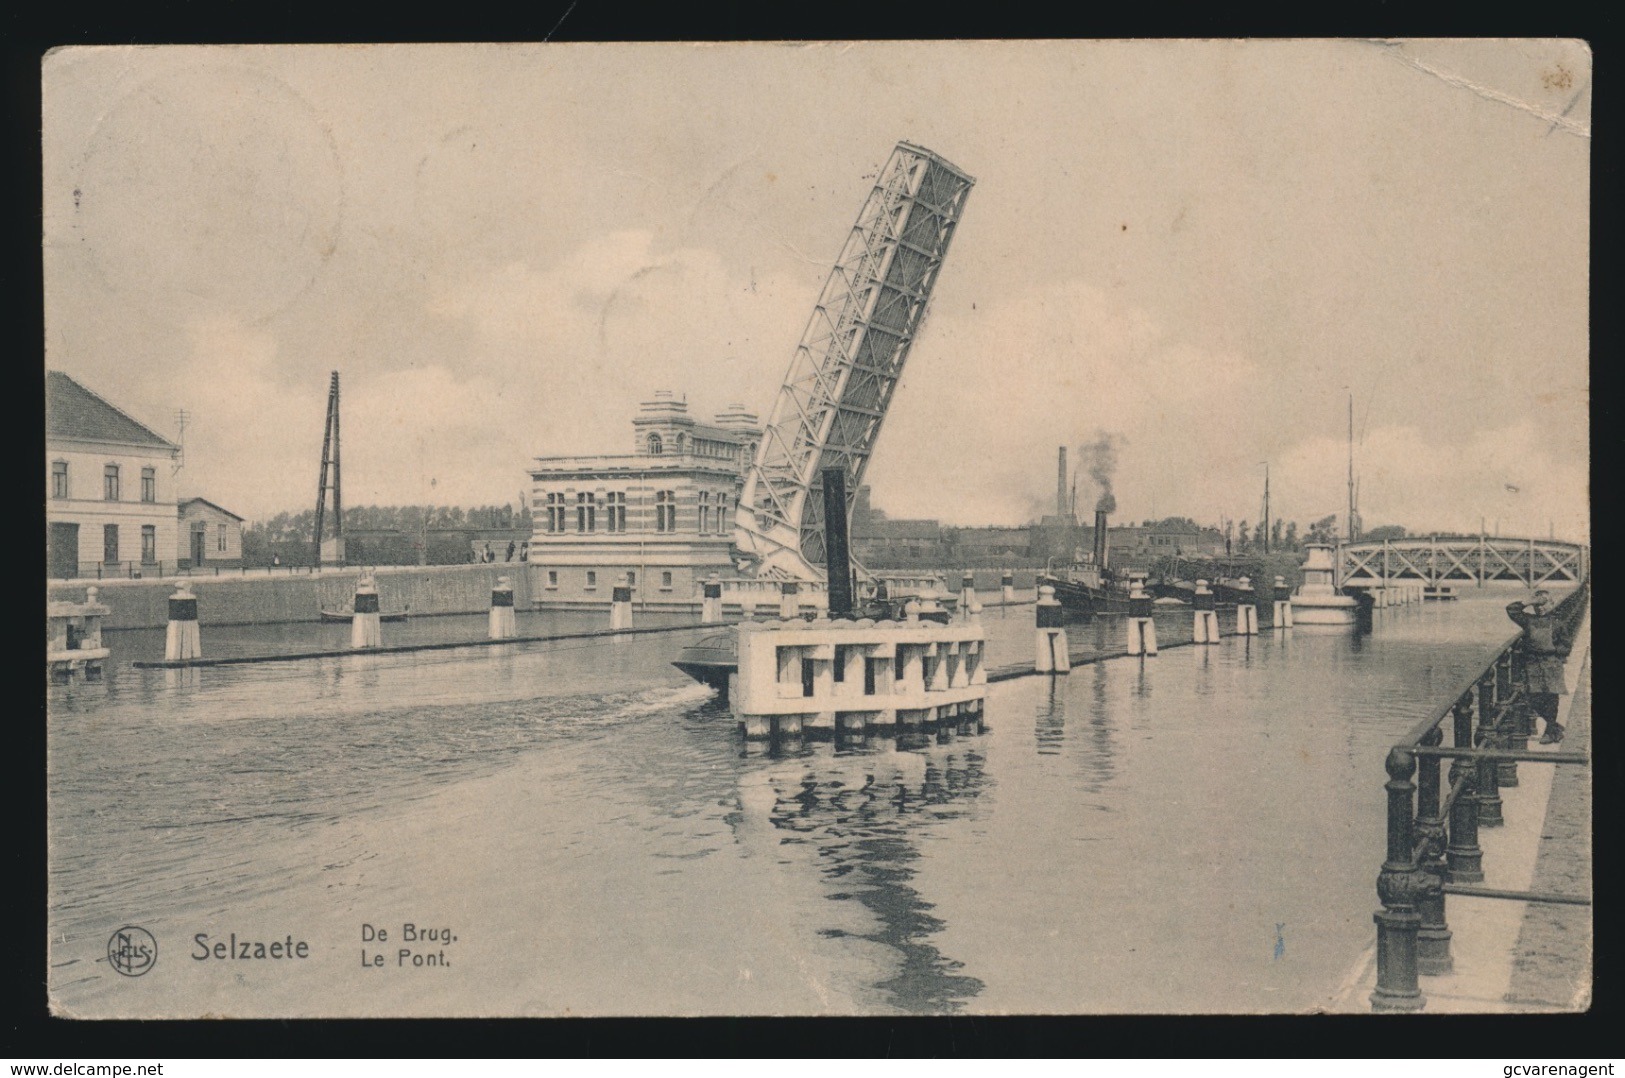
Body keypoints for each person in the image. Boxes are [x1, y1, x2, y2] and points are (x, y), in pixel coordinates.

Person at [1505, 589, 1570, 744]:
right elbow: (1511, 609)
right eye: (1537, 605)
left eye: (1544, 604)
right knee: (1532, 698)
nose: (1540, 608)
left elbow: (1566, 647)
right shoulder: (1528, 620)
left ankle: (1549, 732)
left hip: (1551, 663)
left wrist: (1553, 650)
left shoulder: (1558, 624)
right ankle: (1555, 727)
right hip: (1533, 664)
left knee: (1551, 697)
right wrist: (1529, 601)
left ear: (1552, 604)